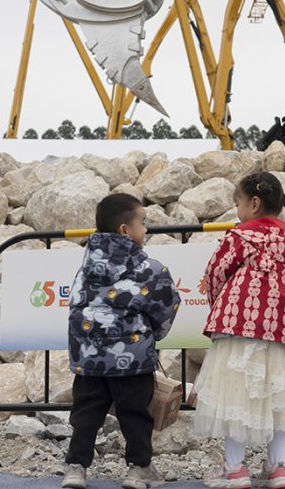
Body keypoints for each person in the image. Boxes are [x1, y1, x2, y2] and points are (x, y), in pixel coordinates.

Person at [193, 172, 285, 489]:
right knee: (279, 397)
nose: (237, 210)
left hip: (241, 325)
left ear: (254, 203)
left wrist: (219, 303)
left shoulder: (240, 236)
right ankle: (277, 469)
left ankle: (235, 470)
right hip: (284, 328)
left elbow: (215, 271)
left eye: (238, 203)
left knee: (238, 395)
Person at [62, 193, 180, 489]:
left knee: (86, 413)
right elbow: (166, 309)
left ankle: (76, 468)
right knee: (135, 414)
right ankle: (139, 469)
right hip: (131, 359)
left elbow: (75, 304)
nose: (146, 229)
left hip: (88, 357)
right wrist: (149, 338)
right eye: (142, 221)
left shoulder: (85, 267)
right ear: (124, 230)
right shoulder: (149, 269)